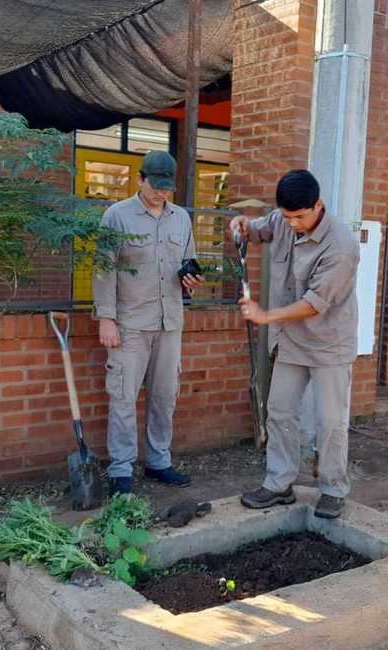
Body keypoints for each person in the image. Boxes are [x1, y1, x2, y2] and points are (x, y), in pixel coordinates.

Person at [231, 170, 359, 519]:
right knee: (281, 411)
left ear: (318, 205)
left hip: (329, 343)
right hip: (292, 342)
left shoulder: (341, 246)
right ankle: (279, 483)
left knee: (330, 420)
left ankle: (333, 489)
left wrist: (265, 316)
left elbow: (313, 303)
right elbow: (261, 228)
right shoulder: (284, 220)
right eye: (288, 218)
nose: (294, 225)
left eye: (300, 217)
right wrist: (243, 225)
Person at [92, 151, 204, 495]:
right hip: (130, 323)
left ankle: (158, 461)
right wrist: (106, 319)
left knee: (164, 396)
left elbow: (189, 261)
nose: (161, 193)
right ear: (140, 179)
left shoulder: (181, 219)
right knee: (123, 395)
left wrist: (191, 278)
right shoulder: (116, 216)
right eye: (156, 186)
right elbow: (103, 269)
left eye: (167, 187)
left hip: (170, 322)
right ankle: (121, 470)